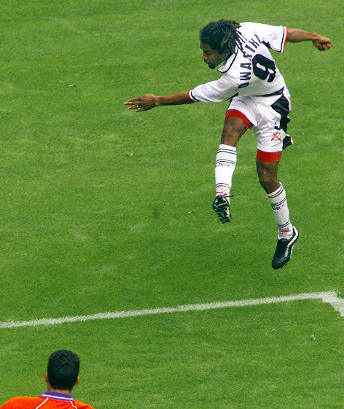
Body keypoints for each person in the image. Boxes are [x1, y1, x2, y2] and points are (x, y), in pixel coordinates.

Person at [124, 20, 332, 269]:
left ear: (224, 50)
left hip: (274, 106)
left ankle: (286, 233)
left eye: (208, 52)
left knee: (267, 178)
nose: (203, 57)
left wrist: (157, 100)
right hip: (246, 98)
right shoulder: (244, 29)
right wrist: (314, 36)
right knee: (230, 130)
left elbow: (192, 96)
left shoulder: (233, 78)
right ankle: (222, 194)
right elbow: (285, 34)